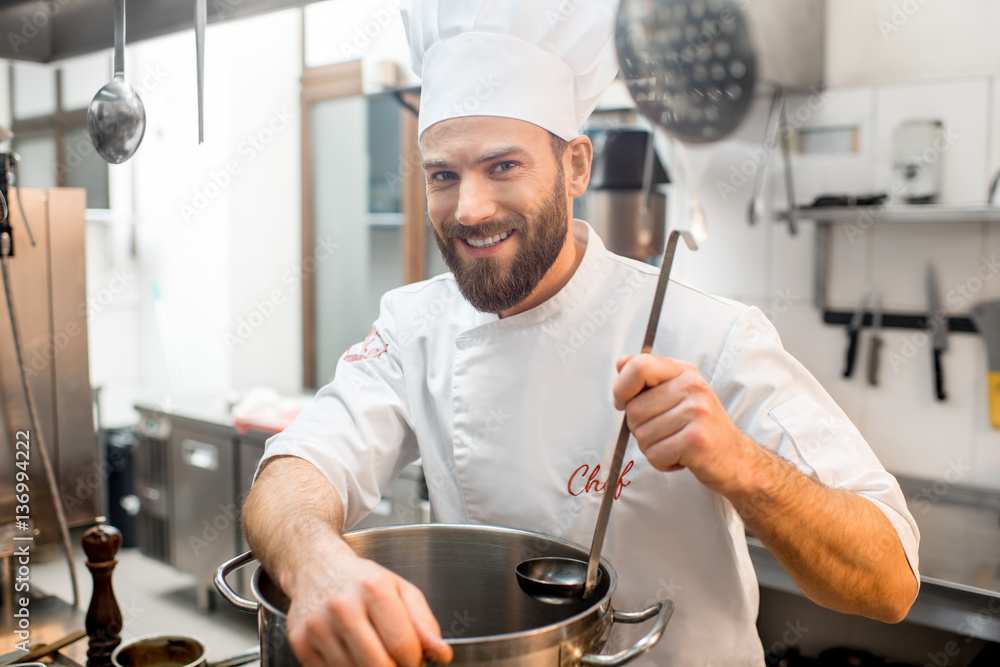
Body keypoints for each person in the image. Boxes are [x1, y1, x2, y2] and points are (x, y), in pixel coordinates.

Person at [241, 1, 920, 665]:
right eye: (444, 175)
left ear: (574, 167)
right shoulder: (414, 326)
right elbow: (296, 470)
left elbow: (889, 582)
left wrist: (740, 463)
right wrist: (317, 559)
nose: (470, 208)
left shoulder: (709, 332)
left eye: (502, 166)